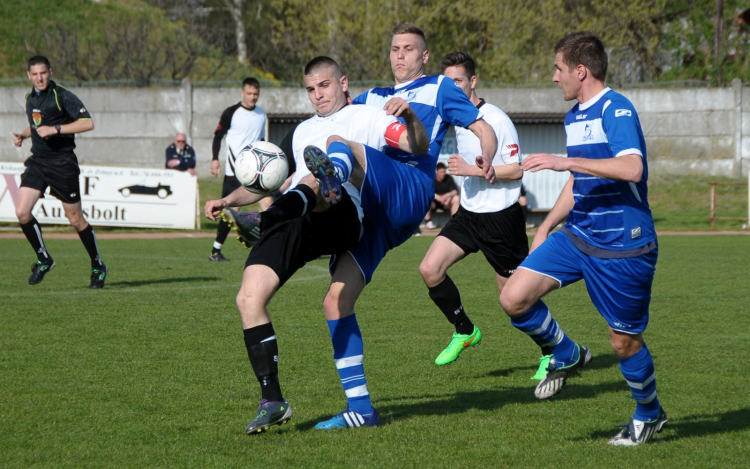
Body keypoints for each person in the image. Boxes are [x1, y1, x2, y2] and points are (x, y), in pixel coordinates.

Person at [203, 56, 429, 435]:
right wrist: (227, 201)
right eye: (310, 89)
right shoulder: (301, 131)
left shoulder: (368, 117)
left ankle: (293, 202)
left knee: (331, 158)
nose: (317, 94)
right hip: (297, 214)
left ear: (342, 82)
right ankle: (272, 399)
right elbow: (265, 179)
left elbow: (417, 146)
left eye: (324, 85)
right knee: (249, 298)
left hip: (343, 217)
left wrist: (410, 118)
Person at [499, 32, 666, 446]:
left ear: (580, 71)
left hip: (624, 244)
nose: (554, 77)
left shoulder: (617, 107)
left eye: (558, 69)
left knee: (623, 342)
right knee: (514, 297)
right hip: (579, 234)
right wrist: (545, 226)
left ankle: (649, 414)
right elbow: (579, 180)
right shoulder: (574, 116)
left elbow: (631, 169)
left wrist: (565, 160)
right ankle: (567, 352)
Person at [419, 51, 549, 379]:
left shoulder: (496, 119)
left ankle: (552, 350)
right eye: (447, 83)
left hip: (501, 219)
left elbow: (518, 171)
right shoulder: (451, 118)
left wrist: (471, 171)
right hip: (469, 215)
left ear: (473, 81)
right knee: (430, 269)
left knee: (514, 298)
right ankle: (465, 330)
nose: (453, 88)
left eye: (458, 81)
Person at [12, 55, 107, 289]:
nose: (39, 77)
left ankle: (97, 265)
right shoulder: (30, 97)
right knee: (22, 212)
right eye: (34, 74)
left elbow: (87, 122)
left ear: (50, 72)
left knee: (75, 220)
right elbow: (37, 124)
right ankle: (44, 258)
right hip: (38, 162)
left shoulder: (62, 96)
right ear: (28, 75)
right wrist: (24, 135)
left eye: (43, 73)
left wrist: (56, 129)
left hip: (63, 163)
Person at [208, 77, 267, 262]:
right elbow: (218, 137)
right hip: (234, 171)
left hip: (256, 170)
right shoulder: (231, 113)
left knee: (267, 205)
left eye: (255, 94)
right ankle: (216, 251)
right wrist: (215, 159)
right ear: (242, 93)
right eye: (249, 93)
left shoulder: (262, 114)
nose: (252, 97)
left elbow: (263, 141)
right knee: (232, 209)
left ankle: (268, 245)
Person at [423, 162, 459, 229]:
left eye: (444, 171)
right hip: (434, 204)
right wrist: (437, 197)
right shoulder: (431, 178)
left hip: (446, 203)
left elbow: (455, 191)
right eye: (441, 172)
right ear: (436, 171)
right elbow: (426, 191)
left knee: (456, 198)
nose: (443, 173)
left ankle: (454, 222)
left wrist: (446, 196)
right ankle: (428, 222)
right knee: (426, 198)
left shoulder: (449, 178)